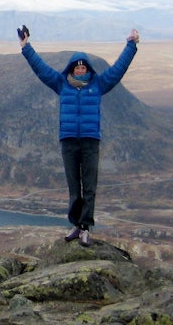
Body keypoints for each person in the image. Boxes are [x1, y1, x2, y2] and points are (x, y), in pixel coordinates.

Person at [19, 26, 140, 247]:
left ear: (88, 68)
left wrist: (131, 45)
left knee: (90, 186)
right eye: (77, 66)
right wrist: (26, 47)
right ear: (71, 69)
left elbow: (119, 69)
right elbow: (40, 69)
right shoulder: (61, 84)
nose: (80, 68)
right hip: (68, 141)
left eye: (83, 66)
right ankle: (76, 225)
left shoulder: (98, 84)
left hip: (90, 141)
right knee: (74, 186)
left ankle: (86, 228)